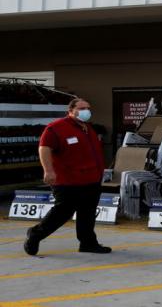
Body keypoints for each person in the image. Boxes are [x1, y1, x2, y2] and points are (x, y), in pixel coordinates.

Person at [24, 98, 111, 255]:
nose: (86, 111)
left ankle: (88, 243)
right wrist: (48, 171)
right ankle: (35, 234)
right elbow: (44, 148)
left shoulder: (88, 128)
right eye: (81, 108)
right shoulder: (56, 128)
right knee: (62, 213)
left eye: (88, 108)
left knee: (88, 213)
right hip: (67, 181)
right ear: (70, 111)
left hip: (91, 179)